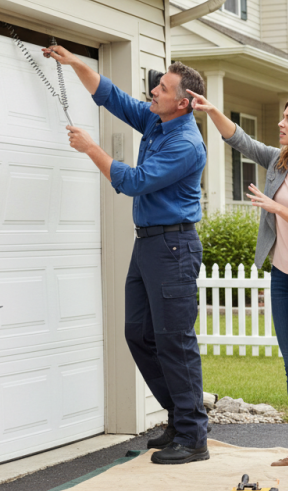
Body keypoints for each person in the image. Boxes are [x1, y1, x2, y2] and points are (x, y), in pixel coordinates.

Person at [43, 46, 209, 465]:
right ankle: (179, 419)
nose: (154, 91)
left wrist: (91, 149)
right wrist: (77, 64)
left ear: (184, 102)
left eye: (164, 88)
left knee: (175, 341)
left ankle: (193, 436)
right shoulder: (157, 119)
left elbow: (135, 182)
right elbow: (114, 98)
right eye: (157, 85)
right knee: (138, 333)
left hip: (173, 246)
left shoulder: (186, 143)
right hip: (149, 244)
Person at [189, 90, 288, 472]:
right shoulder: (278, 162)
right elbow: (240, 140)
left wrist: (275, 206)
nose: (281, 123)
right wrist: (211, 112)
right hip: (282, 279)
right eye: (283, 118)